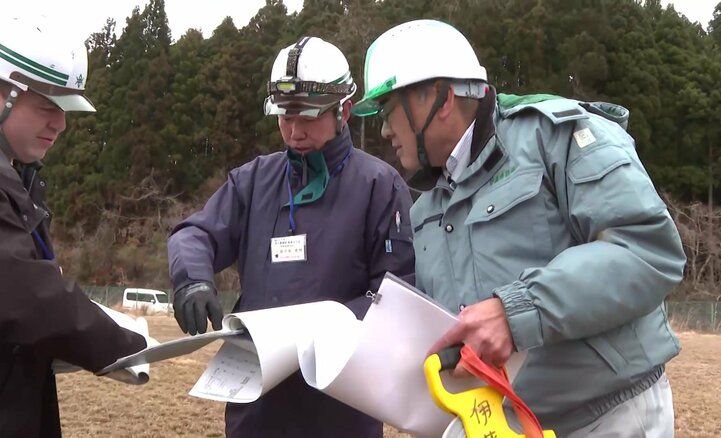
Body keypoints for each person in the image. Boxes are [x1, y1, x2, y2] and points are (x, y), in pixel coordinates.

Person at [353, 19, 687, 438]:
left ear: (440, 100)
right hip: (499, 424)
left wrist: (515, 312)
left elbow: (648, 251)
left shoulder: (557, 135)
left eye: (389, 111)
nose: (384, 130)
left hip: (607, 417)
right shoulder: (425, 211)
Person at [167, 36, 415, 437]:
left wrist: (322, 330)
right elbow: (196, 233)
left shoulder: (379, 186)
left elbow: (395, 294)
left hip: (340, 410)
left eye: (308, 117)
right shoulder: (253, 181)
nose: (295, 131)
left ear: (344, 111)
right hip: (257, 410)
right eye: (285, 117)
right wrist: (191, 279)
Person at [0, 16, 150, 437]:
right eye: (48, 106)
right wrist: (122, 343)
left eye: (65, 110)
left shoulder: (20, 176)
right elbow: (26, 295)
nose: (61, 125)